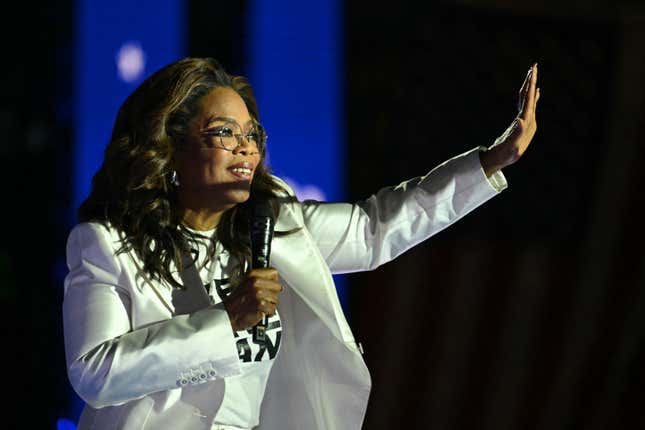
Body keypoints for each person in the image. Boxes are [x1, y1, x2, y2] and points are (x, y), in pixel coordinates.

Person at [62, 57, 540, 430]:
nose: (246, 147)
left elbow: (374, 230)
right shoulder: (107, 245)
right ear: (170, 146)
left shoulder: (275, 226)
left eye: (252, 134)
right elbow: (94, 373)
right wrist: (226, 322)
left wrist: (491, 162)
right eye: (224, 133)